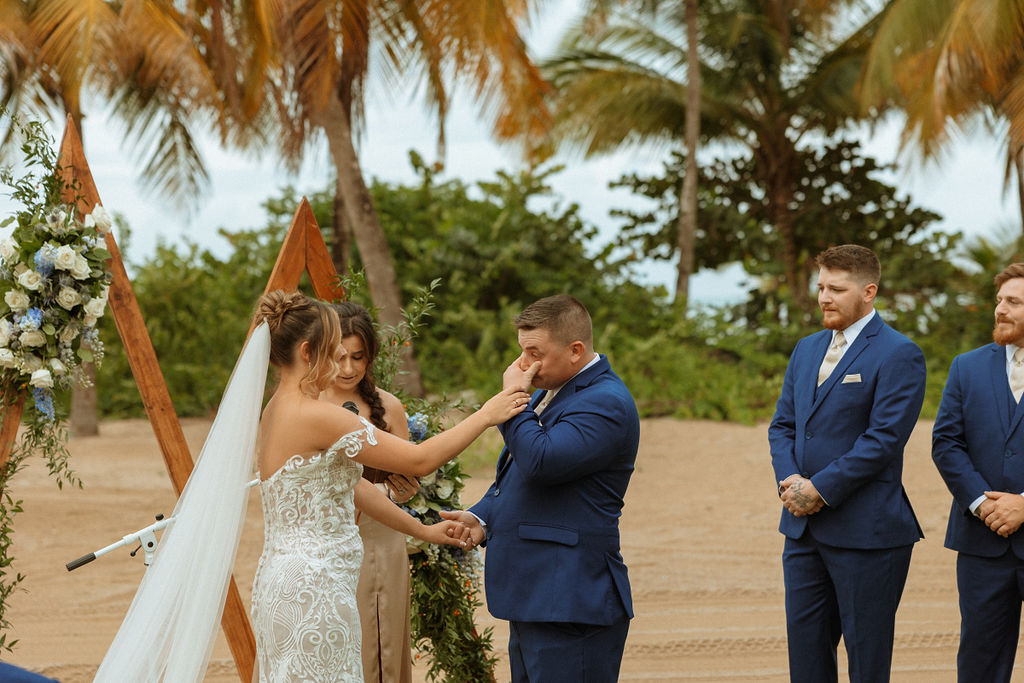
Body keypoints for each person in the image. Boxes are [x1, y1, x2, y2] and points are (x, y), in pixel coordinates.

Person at [94, 290, 532, 682]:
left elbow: (348, 488)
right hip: (316, 589)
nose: (343, 366)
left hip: (282, 582)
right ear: (307, 352)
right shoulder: (318, 416)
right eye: (332, 353)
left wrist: (422, 531)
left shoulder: (274, 412)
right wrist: (488, 413)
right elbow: (419, 458)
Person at [441, 294, 639, 683]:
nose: (523, 365)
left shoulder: (606, 402)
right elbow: (518, 475)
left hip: (571, 598)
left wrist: (512, 400)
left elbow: (542, 462)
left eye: (534, 353)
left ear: (575, 350)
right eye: (521, 352)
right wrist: (483, 515)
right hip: (538, 594)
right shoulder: (555, 389)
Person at [768, 244, 926, 683]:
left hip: (869, 534)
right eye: (821, 287)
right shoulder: (805, 349)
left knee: (867, 662)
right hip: (802, 532)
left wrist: (819, 489)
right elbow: (782, 425)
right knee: (807, 660)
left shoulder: (900, 354)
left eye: (836, 288)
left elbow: (883, 440)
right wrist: (791, 481)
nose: (824, 298)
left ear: (869, 291)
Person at [932, 262, 1024, 681]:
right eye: (999, 300)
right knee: (979, 662)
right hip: (981, 541)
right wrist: (981, 504)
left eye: (1014, 302)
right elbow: (946, 444)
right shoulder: (966, 366)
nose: (999, 310)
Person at [321, 301, 418, 683]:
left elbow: (407, 485)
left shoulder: (389, 407)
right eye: (339, 357)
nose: (348, 369)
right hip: (326, 540)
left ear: (371, 355)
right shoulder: (307, 405)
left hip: (381, 539)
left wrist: (403, 490)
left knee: (381, 640)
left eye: (358, 357)